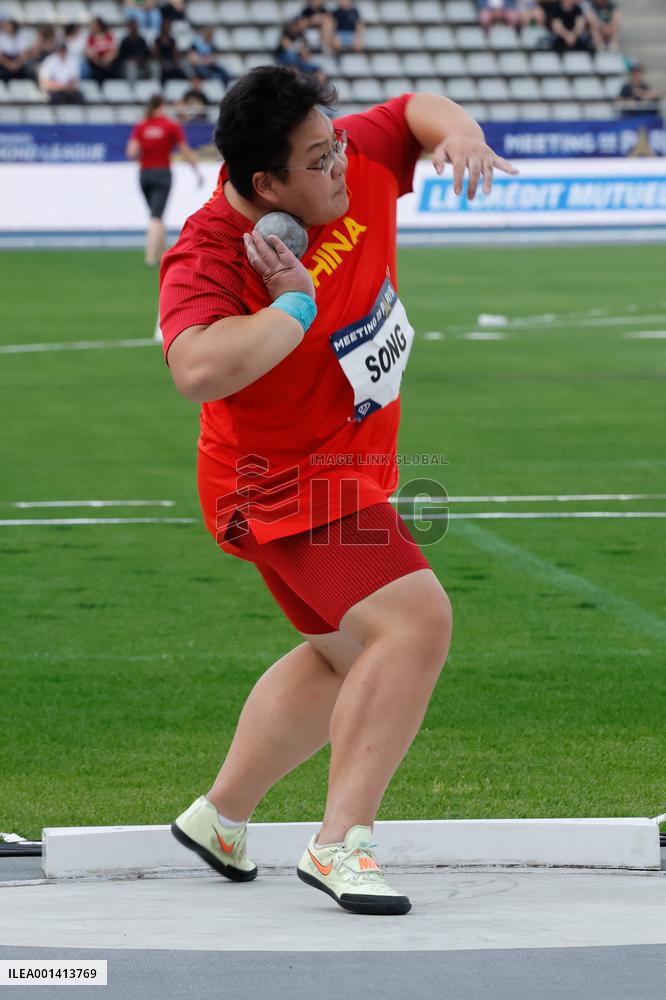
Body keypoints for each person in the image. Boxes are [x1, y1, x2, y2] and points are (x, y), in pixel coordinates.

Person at [160, 66, 517, 915]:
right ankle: (339, 844)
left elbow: (412, 112)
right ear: (266, 184)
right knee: (417, 621)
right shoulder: (211, 250)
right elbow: (198, 367)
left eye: (339, 146)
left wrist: (456, 130)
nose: (344, 167)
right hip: (281, 485)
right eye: (321, 160)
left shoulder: (343, 153)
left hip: (345, 471)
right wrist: (291, 306)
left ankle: (221, 818)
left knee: (347, 659)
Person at [126, 94, 203, 266]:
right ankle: (151, 257)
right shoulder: (170, 126)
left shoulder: (141, 126)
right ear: (161, 106)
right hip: (162, 173)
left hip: (144, 174)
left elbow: (131, 152)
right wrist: (196, 171)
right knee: (156, 216)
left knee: (156, 215)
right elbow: (184, 151)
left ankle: (161, 253)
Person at [85, 16, 118, 83]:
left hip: (109, 63)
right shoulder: (90, 38)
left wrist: (108, 59)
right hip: (96, 65)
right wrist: (100, 62)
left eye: (94, 25)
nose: (92, 27)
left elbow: (114, 50)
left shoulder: (109, 36)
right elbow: (89, 53)